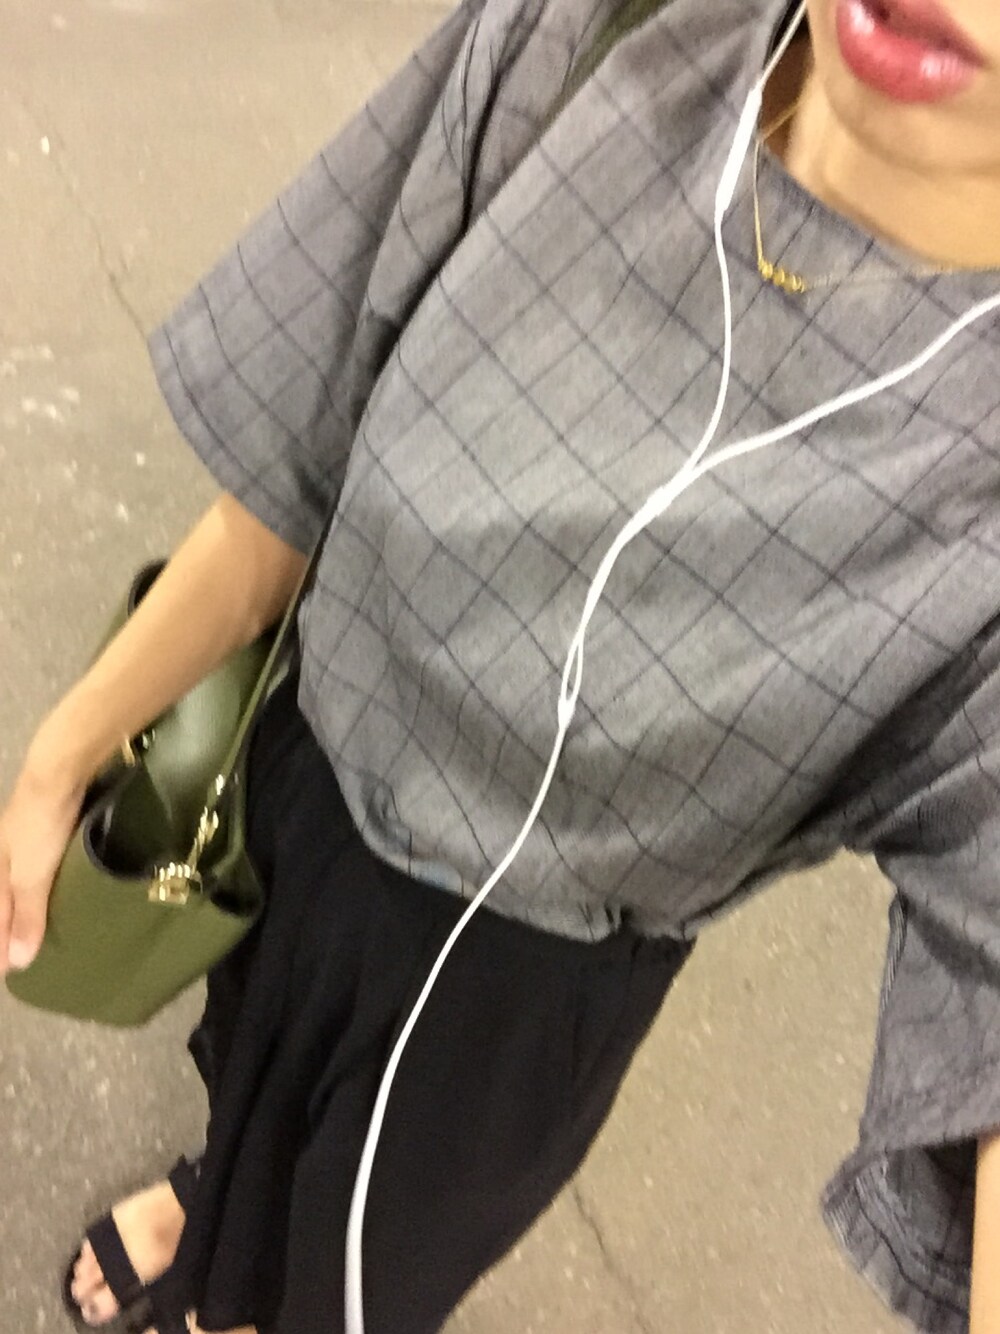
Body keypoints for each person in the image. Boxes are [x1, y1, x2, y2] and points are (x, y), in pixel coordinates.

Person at [2, 0, 999, 1328]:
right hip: (305, 770)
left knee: (350, 1259)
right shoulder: (596, 36)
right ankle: (215, 1197)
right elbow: (306, 441)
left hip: (503, 991)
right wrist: (68, 746)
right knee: (245, 1056)